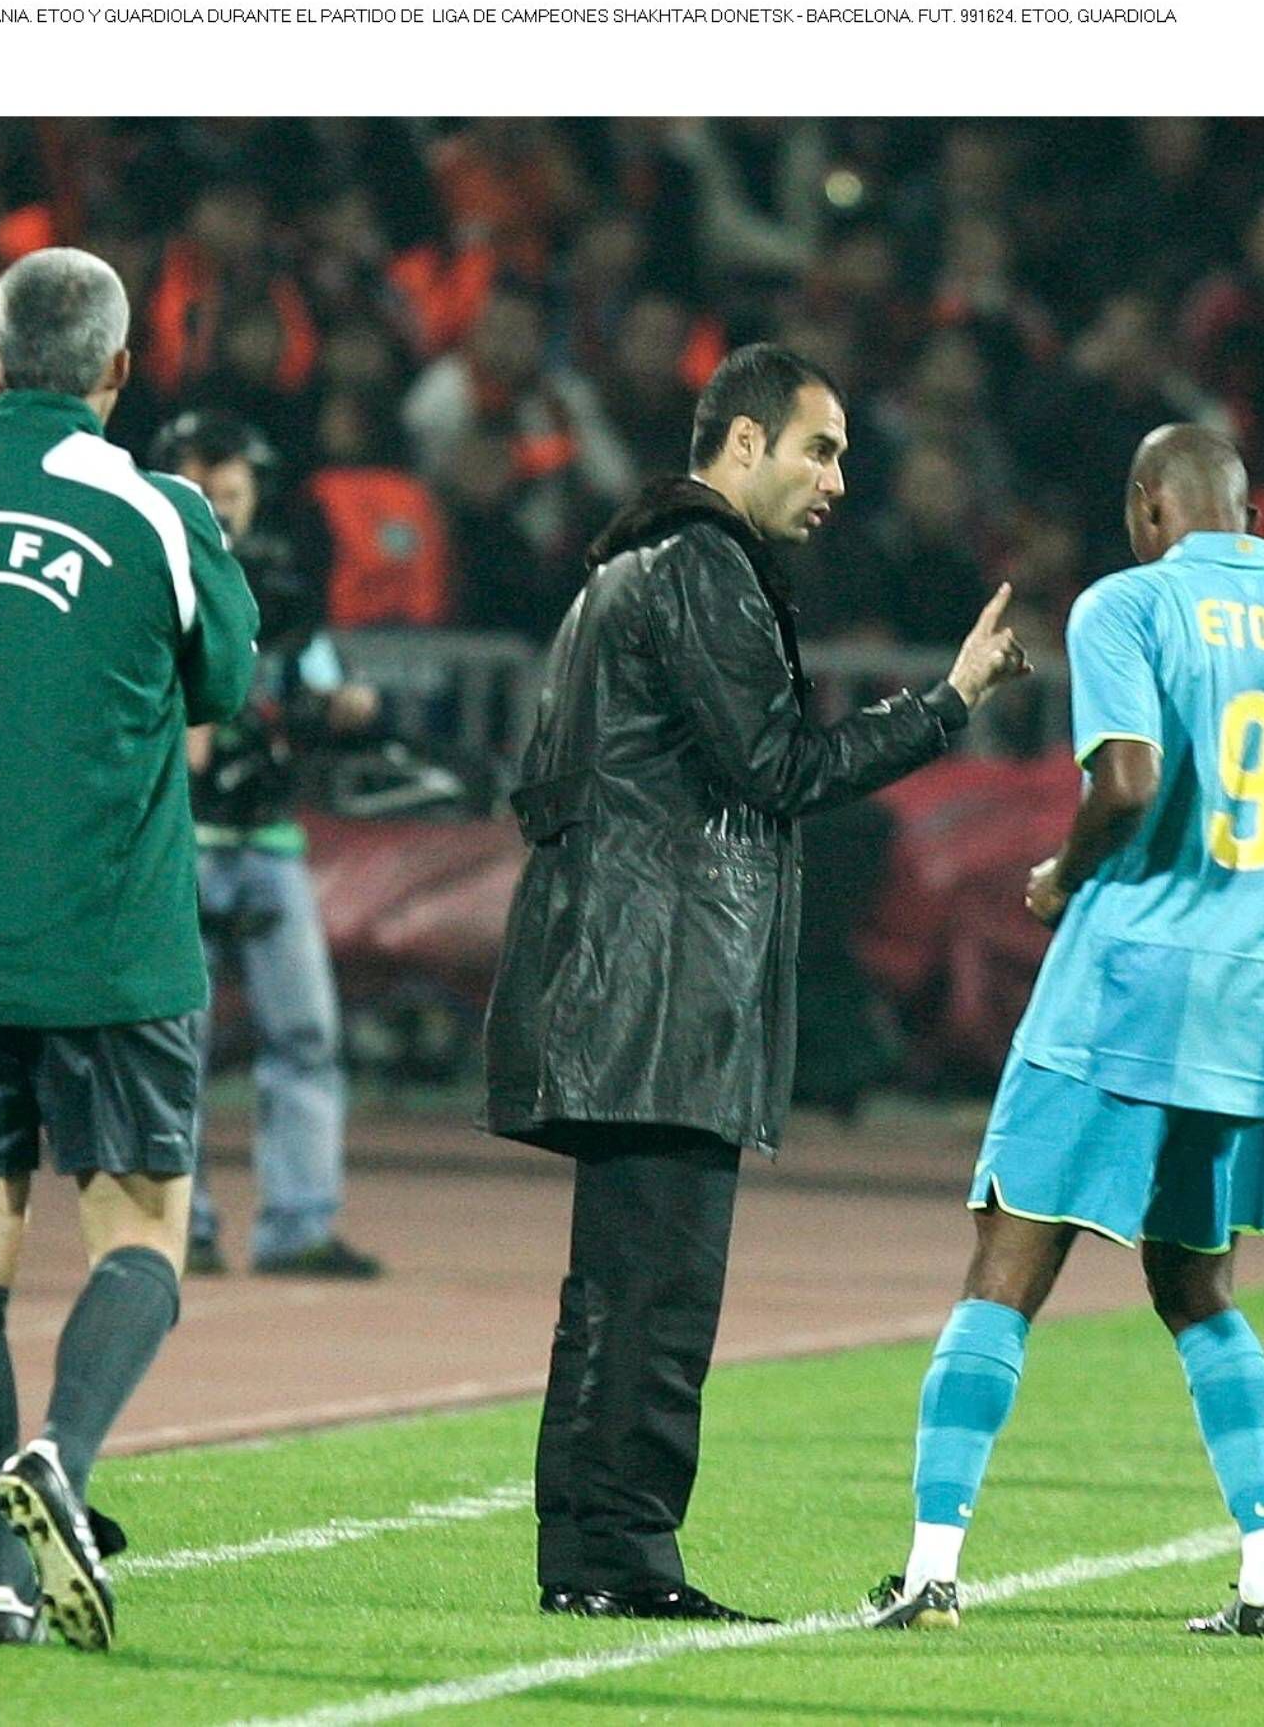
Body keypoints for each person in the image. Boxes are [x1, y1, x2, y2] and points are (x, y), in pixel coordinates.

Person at [484, 343, 1031, 1624]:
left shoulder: (627, 568)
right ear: (741, 444)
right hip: (662, 988)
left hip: (615, 977)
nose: (839, 475)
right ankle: (625, 1560)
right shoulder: (706, 567)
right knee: (658, 1298)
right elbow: (778, 768)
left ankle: (589, 1555)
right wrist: (946, 702)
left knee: (615, 1292)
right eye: (819, 447)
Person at [866, 426, 1264, 1640]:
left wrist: (1059, 877)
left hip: (1125, 982)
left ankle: (932, 1570)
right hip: (1256, 995)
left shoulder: (1125, 605)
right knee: (1197, 1286)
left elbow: (1130, 783)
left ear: (1151, 503)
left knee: (1010, 1259)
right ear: (1247, 510)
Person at [0, 249, 258, 1650]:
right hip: (111, 945)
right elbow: (228, 681)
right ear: (118, 370)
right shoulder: (159, 512)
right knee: (138, 1235)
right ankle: (62, 1464)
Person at [149, 408, 383, 1280]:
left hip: (267, 837)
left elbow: (320, 682)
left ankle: (297, 1226)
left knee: (306, 1036)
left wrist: (342, 705)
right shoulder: (148, 578)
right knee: (179, 1040)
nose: (218, 506)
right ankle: (181, 1225)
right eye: (202, 490)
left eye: (231, 492)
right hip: (178, 840)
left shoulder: (282, 591)